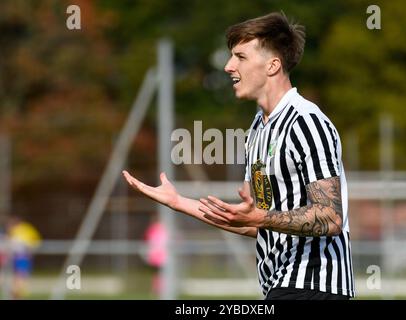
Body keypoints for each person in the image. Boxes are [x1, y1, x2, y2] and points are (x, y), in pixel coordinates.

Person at [123, 12, 354, 300]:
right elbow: (255, 222)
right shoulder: (258, 130)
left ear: (273, 65)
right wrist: (178, 202)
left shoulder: (307, 122)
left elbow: (331, 217)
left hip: (314, 285)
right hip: (279, 286)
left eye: (240, 57)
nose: (228, 66)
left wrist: (262, 217)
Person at [6, 216, 41, 299]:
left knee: (20, 275)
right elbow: (36, 241)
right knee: (20, 276)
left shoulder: (19, 230)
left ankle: (17, 292)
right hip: (21, 257)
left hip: (21, 257)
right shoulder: (26, 229)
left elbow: (34, 242)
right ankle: (17, 292)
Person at [143, 216, 167, 297]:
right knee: (158, 273)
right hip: (158, 255)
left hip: (160, 255)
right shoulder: (158, 229)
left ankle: (159, 289)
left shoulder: (161, 228)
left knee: (159, 274)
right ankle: (158, 289)